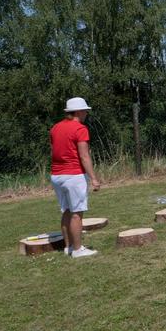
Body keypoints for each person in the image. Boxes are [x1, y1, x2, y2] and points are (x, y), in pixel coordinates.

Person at [49, 97, 100, 258]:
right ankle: (78, 250)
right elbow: (84, 156)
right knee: (77, 213)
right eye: (85, 111)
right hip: (74, 175)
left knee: (66, 211)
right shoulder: (80, 128)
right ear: (78, 111)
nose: (86, 113)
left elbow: (53, 152)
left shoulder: (55, 128)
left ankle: (69, 247)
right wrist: (93, 178)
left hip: (56, 175)